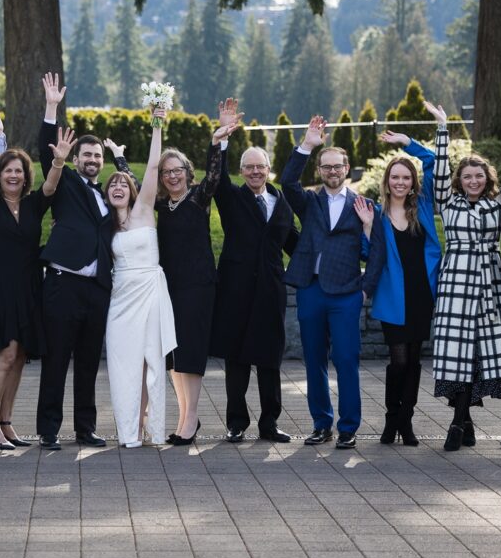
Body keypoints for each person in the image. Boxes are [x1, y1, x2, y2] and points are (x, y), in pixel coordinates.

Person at [117, 100, 240, 444]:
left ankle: (191, 418)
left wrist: (217, 142)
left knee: (192, 351)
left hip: (198, 286)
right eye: (166, 172)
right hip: (167, 286)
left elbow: (215, 175)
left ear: (188, 172)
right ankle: (185, 417)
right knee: (174, 354)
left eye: (177, 170)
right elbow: (135, 183)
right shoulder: (161, 205)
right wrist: (119, 157)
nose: (172, 176)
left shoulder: (199, 197)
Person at [429, 101, 501, 452]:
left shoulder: (498, 204)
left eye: (478, 176)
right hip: (455, 285)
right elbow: (439, 171)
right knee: (456, 353)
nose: (473, 181)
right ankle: (462, 422)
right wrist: (442, 128)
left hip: (489, 284)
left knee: (477, 354)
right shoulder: (447, 202)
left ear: (487, 178)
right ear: (459, 181)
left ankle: (459, 423)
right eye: (467, 176)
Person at [0, 100, 65, 449]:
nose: (14, 175)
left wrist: (59, 161)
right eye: (8, 171)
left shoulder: (34, 204)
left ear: (25, 175)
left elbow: (51, 186)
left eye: (19, 171)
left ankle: (6, 422)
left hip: (29, 287)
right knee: (6, 356)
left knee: (20, 358)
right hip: (0, 289)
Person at [281, 115, 385, 450]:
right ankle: (321, 424)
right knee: (314, 360)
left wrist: (365, 290)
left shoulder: (364, 206)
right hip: (311, 290)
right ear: (320, 170)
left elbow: (375, 254)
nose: (332, 171)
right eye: (326, 166)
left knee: (346, 360)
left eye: (337, 166)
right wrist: (307, 145)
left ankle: (348, 427)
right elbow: (287, 182)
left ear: (347, 168)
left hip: (346, 294)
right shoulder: (310, 202)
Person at [35, 72, 114, 450]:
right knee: (56, 361)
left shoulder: (109, 195)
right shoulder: (64, 181)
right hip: (63, 285)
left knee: (88, 363)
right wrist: (52, 108)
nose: (92, 160)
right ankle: (49, 429)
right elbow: (44, 150)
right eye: (87, 155)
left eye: (97, 156)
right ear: (77, 158)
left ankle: (86, 428)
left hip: (97, 289)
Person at [211, 117, 298, 445]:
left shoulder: (282, 204)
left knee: (269, 360)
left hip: (270, 292)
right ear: (241, 171)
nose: (255, 172)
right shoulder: (232, 198)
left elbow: (294, 244)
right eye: (249, 167)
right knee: (236, 360)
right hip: (236, 290)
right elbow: (217, 178)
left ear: (269, 169)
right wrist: (220, 142)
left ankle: (269, 423)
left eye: (260, 167)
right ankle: (236, 423)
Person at [103, 107, 176, 447]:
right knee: (123, 368)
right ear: (107, 194)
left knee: (153, 365)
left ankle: (153, 427)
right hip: (120, 301)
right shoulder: (104, 226)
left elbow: (152, 167)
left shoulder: (145, 210)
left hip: (150, 292)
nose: (118, 186)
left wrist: (157, 124)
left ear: (132, 191)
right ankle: (128, 431)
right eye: (113, 184)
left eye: (123, 183)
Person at [365, 130, 442, 446]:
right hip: (392, 296)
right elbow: (367, 254)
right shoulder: (375, 213)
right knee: (398, 361)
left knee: (414, 360)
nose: (400, 182)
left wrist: (407, 143)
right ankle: (391, 418)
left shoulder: (423, 205)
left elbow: (432, 160)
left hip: (422, 293)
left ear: (413, 182)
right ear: (387, 181)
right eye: (395, 177)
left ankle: (406, 422)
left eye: (405, 177)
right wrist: (367, 228)